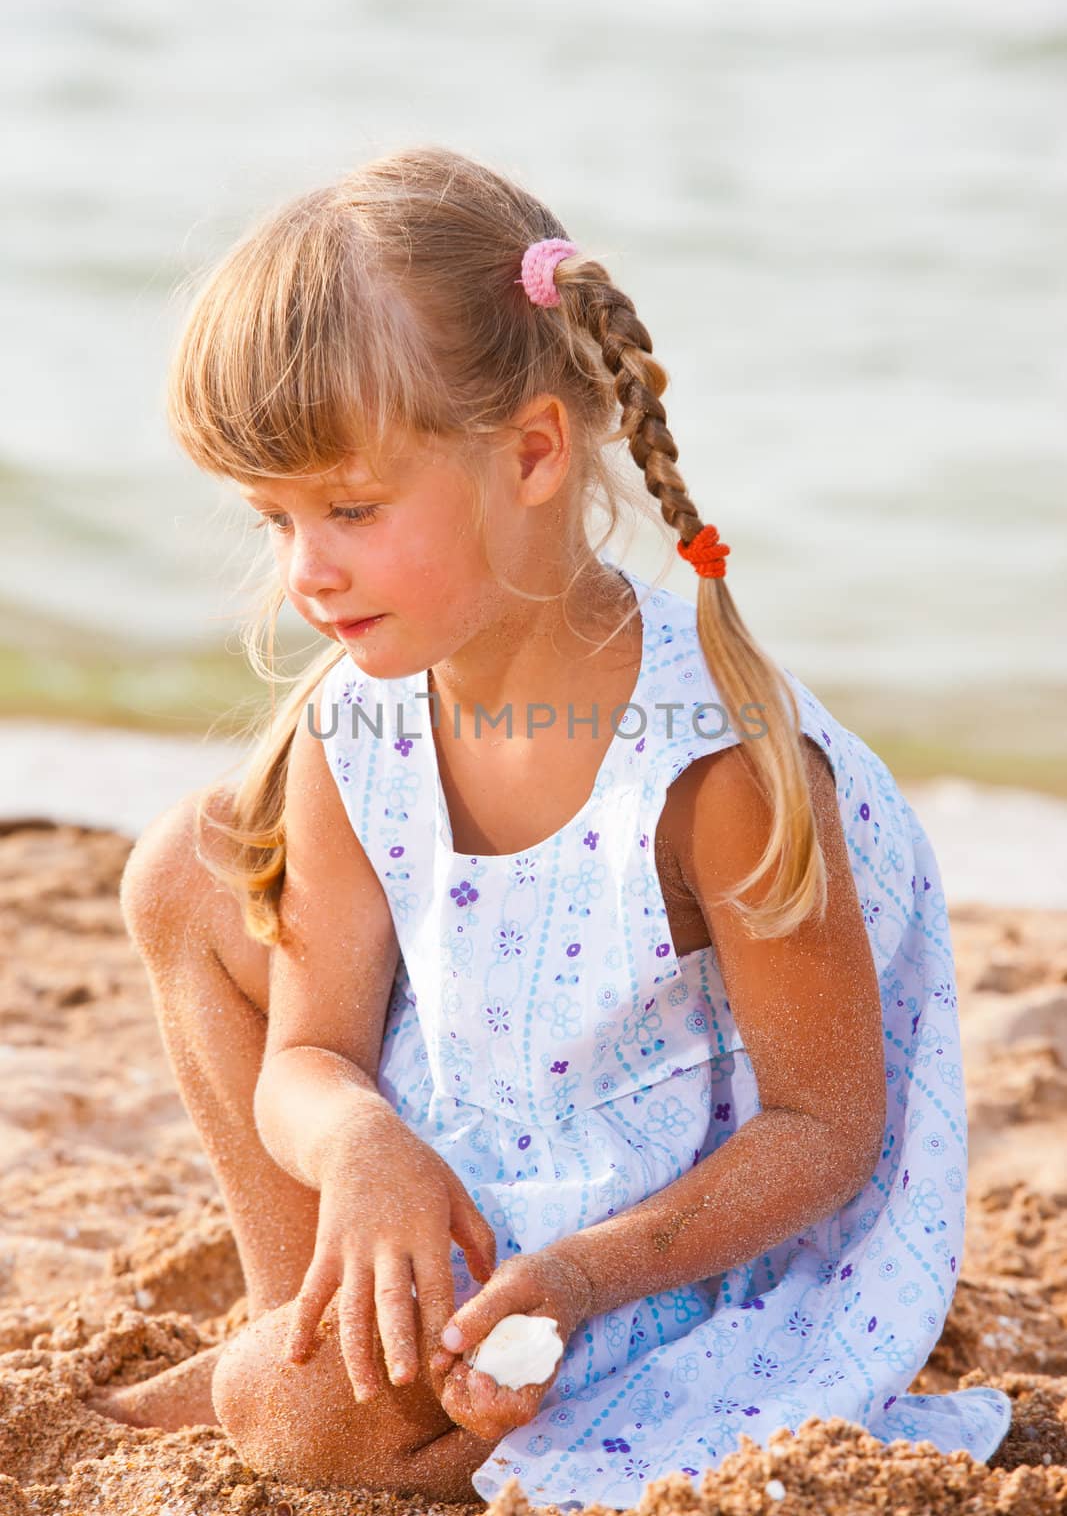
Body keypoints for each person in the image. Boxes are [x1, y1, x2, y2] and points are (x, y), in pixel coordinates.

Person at [91, 145, 1012, 1509]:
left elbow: (825, 1129)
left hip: (660, 1253)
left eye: (348, 508)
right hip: (482, 1144)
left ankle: (362, 1385)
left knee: (293, 1419)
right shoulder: (367, 719)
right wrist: (359, 1143)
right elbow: (310, 1053)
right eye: (272, 518)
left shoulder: (716, 774)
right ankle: (328, 1322)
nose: (305, 571)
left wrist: (583, 1278)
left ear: (532, 453)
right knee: (188, 868)